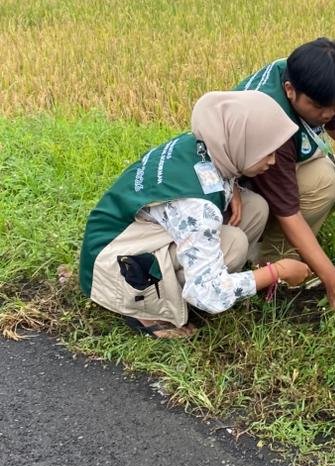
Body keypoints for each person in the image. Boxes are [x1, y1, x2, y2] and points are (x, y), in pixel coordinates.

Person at [79, 91, 312, 338]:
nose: (273, 161)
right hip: (111, 267)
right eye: (267, 152)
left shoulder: (205, 144)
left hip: (124, 236)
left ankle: (210, 280)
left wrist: (231, 185)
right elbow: (209, 293)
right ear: (241, 145)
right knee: (233, 245)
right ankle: (147, 310)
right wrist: (277, 271)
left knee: (254, 207)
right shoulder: (197, 208)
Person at [234, 38, 335, 308]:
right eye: (319, 107)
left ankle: (290, 245)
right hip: (240, 195)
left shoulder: (308, 79)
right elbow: (289, 213)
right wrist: (334, 280)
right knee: (323, 181)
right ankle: (271, 261)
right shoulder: (270, 122)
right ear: (290, 90)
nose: (327, 114)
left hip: (273, 171)